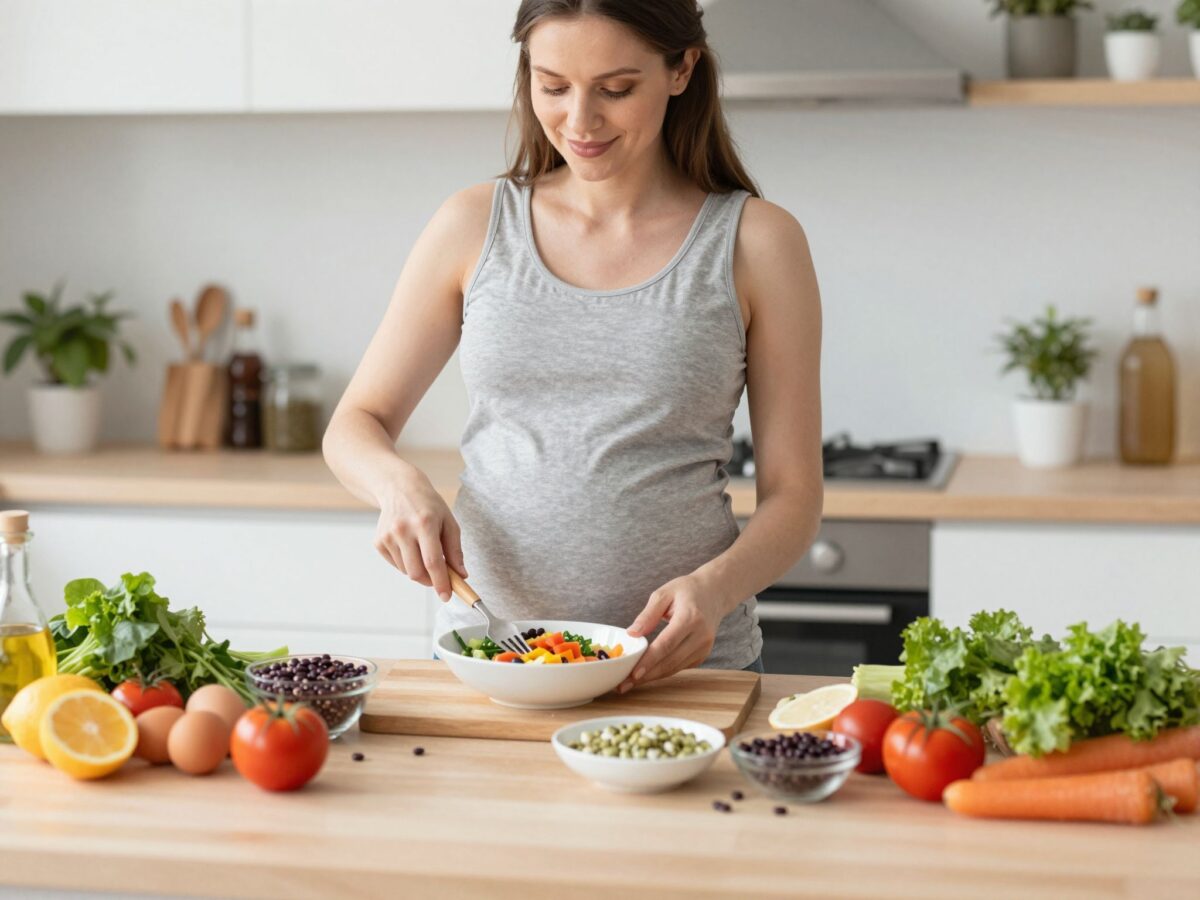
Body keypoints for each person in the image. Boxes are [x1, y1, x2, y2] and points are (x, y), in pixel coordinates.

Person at [323, 0, 822, 690]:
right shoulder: (472, 225)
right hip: (494, 659)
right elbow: (355, 425)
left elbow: (795, 498)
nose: (579, 121)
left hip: (683, 669)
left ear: (682, 70)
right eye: (552, 85)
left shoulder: (758, 242)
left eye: (616, 89)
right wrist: (397, 486)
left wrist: (714, 589)